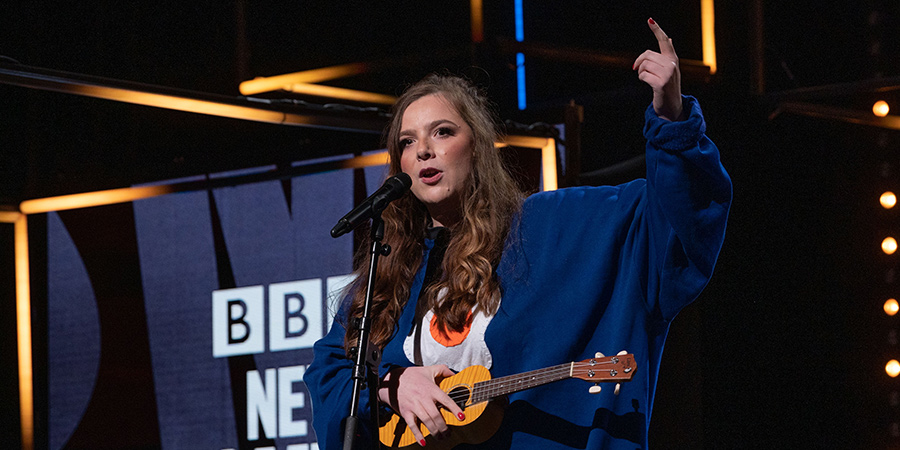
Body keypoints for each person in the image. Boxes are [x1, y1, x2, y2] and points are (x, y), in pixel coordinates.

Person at [305, 18, 732, 450]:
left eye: (443, 132)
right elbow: (328, 372)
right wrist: (391, 385)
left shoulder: (552, 229)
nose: (424, 150)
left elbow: (673, 221)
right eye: (407, 142)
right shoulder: (392, 271)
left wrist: (672, 121)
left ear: (479, 145)